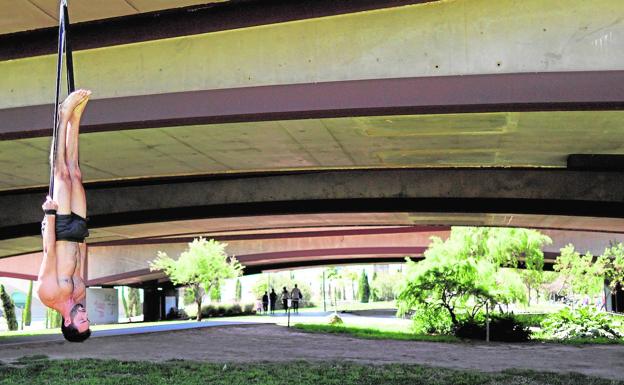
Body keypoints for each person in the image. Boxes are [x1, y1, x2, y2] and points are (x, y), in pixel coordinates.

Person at [37, 90, 92, 343]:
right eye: (88, 319)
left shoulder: (48, 294)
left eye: (82, 320)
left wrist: (49, 216)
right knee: (76, 173)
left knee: (60, 173)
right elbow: (78, 261)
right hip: (77, 232)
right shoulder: (79, 295)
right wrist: (82, 237)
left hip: (59, 230)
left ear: (68, 321)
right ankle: (76, 118)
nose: (85, 315)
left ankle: (64, 115)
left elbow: (49, 254)